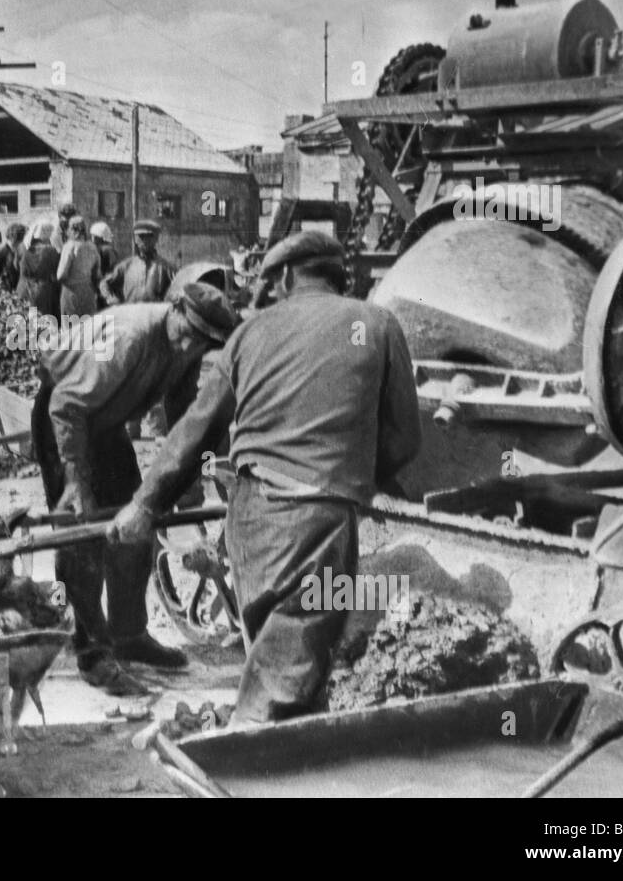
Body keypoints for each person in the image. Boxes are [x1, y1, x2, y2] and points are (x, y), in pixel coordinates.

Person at [109, 233, 421, 725]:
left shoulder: (249, 333)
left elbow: (196, 429)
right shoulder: (377, 324)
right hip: (320, 518)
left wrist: (145, 505)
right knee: (289, 674)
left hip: (250, 517)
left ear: (285, 276)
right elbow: (405, 440)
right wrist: (353, 477)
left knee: (270, 652)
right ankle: (247, 759)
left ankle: (263, 747)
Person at [33, 283, 237, 696]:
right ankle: (91, 651)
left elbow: (187, 417)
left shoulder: (189, 349)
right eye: (188, 333)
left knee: (136, 523)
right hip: (66, 421)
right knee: (84, 537)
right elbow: (66, 406)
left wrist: (192, 476)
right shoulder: (128, 339)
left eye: (202, 343)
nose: (189, 346)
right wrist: (76, 481)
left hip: (105, 424)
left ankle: (129, 634)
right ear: (175, 309)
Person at [99, 219, 175, 306]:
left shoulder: (166, 267)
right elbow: (104, 283)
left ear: (156, 238)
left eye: (149, 236)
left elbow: (182, 285)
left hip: (155, 315)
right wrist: (110, 298)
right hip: (131, 314)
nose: (145, 240)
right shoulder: (127, 265)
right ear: (135, 239)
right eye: (141, 236)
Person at [16, 220, 61, 320]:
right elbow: (57, 271)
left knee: (24, 324)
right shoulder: (51, 250)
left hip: (23, 289)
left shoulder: (22, 247)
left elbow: (16, 266)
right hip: (42, 292)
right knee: (41, 326)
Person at [56, 215, 101, 317]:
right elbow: (97, 273)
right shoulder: (92, 247)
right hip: (88, 292)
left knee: (71, 329)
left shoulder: (69, 246)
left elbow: (61, 275)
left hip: (71, 292)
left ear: (71, 229)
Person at [0, 223, 26, 293]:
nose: (18, 242)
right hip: (3, 283)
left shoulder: (20, 247)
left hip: (15, 283)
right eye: (17, 240)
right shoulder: (3, 248)